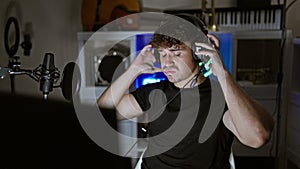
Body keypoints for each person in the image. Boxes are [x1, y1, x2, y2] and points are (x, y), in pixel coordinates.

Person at [97, 14, 274, 169]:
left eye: (176, 53)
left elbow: (257, 137)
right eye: (163, 54)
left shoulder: (223, 97)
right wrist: (133, 70)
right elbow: (100, 114)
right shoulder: (154, 92)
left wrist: (221, 72)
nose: (167, 62)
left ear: (199, 54)